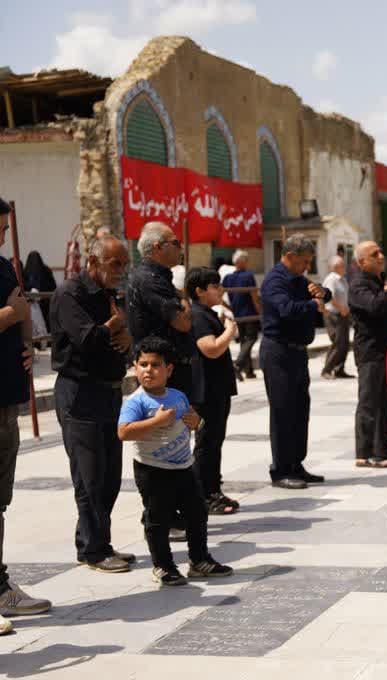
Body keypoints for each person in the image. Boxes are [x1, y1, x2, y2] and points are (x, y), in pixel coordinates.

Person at [50, 235, 135, 573]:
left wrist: (125, 338)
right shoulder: (70, 294)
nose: (121, 270)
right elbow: (86, 338)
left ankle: (97, 542)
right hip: (80, 394)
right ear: (93, 261)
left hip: (109, 393)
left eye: (124, 264)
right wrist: (113, 326)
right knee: (90, 477)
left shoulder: (108, 295)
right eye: (115, 264)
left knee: (110, 476)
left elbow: (119, 341)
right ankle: (94, 550)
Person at [118, 336, 232, 585]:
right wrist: (155, 422)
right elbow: (124, 432)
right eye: (143, 364)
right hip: (151, 469)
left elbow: (193, 421)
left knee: (197, 513)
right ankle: (163, 566)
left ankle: (199, 560)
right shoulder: (136, 401)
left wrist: (197, 422)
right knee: (158, 519)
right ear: (135, 367)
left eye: (155, 365)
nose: (148, 370)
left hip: (184, 467)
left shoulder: (178, 396)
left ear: (169, 370)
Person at [0, 197, 51, 629]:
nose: (3, 237)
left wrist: (26, 344)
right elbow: (13, 310)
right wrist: (10, 314)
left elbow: (21, 314)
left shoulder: (2, 268)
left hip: (5, 398)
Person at [259, 235, 330, 490]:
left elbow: (321, 294)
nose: (307, 267)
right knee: (283, 411)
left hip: (297, 353)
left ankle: (296, 463)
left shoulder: (299, 279)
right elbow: (287, 309)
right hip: (279, 352)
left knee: (300, 411)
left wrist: (322, 293)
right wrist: (313, 305)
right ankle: (281, 470)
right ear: (289, 256)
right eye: (304, 262)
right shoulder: (275, 281)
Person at [185, 267, 239, 515]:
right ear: (199, 291)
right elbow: (211, 348)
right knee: (206, 443)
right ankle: (203, 496)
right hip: (206, 391)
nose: (221, 290)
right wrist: (230, 330)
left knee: (215, 441)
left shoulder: (207, 313)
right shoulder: (198, 316)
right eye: (215, 286)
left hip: (217, 389)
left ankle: (213, 490)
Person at [349, 240, 387, 468]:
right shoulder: (358, 285)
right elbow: (374, 306)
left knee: (384, 401)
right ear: (362, 262)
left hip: (384, 349)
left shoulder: (379, 282)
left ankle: (381, 449)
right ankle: (364, 452)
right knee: (369, 401)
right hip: (370, 351)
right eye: (374, 254)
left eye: (381, 251)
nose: (381, 256)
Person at [127, 222, 195, 396]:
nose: (180, 248)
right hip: (163, 375)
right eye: (175, 243)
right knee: (171, 413)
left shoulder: (157, 277)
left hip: (169, 371)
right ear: (158, 247)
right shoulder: (150, 279)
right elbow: (183, 322)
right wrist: (184, 298)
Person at [222, 250, 261, 380]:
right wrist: (260, 312)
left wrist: (230, 308)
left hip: (237, 314)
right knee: (251, 338)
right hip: (250, 313)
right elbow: (254, 297)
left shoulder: (228, 278)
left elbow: (219, 295)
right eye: (246, 260)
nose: (248, 263)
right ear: (242, 262)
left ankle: (249, 371)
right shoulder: (248, 276)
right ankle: (238, 364)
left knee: (244, 341)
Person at [321, 255, 352, 380]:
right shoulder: (331, 279)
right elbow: (329, 297)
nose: (345, 267)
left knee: (344, 343)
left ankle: (339, 369)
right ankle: (327, 370)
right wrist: (341, 308)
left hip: (343, 314)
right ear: (336, 267)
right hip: (333, 314)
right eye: (342, 265)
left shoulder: (342, 279)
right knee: (337, 342)